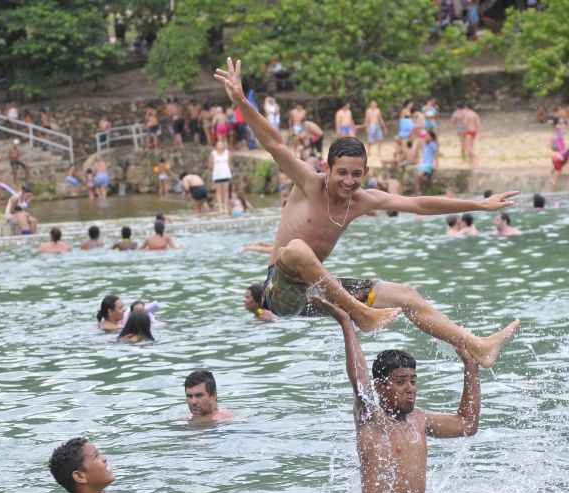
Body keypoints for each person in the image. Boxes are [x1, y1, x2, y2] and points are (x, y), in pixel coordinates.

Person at [214, 57, 519, 368]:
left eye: (356, 174)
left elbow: (418, 204)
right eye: (342, 173)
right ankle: (361, 315)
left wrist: (479, 204)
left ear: (365, 172)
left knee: (407, 295)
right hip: (277, 293)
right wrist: (240, 101)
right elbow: (274, 143)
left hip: (315, 292)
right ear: (326, 169)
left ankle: (477, 346)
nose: (349, 182)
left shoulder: (363, 199)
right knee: (295, 250)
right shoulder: (308, 183)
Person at [318, 296, 486, 493]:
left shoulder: (420, 420)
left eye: (413, 381)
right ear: (379, 386)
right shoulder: (371, 419)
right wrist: (346, 323)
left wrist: (470, 367)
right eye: (400, 382)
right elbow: (360, 382)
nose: (410, 388)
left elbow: (467, 424)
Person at [209, 140, 233, 214]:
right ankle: (220, 208)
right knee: (218, 192)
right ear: (216, 146)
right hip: (217, 174)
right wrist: (212, 174)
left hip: (225, 174)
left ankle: (225, 207)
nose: (220, 146)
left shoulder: (227, 152)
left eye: (221, 145)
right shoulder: (213, 153)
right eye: (218, 145)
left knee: (226, 191)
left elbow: (229, 163)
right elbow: (210, 165)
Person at [414, 131, 439, 195]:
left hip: (428, 164)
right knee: (418, 177)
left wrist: (435, 165)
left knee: (419, 177)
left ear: (431, 137)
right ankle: (419, 192)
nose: (426, 137)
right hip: (424, 164)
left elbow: (435, 156)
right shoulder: (426, 144)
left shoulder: (433, 144)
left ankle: (419, 192)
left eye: (427, 136)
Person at [463, 103, 481, 168]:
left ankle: (474, 160)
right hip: (474, 131)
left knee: (469, 147)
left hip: (468, 131)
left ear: (467, 107)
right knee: (472, 146)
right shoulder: (475, 114)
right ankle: (472, 162)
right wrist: (478, 132)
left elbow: (465, 124)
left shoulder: (467, 115)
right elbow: (478, 124)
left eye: (465, 108)